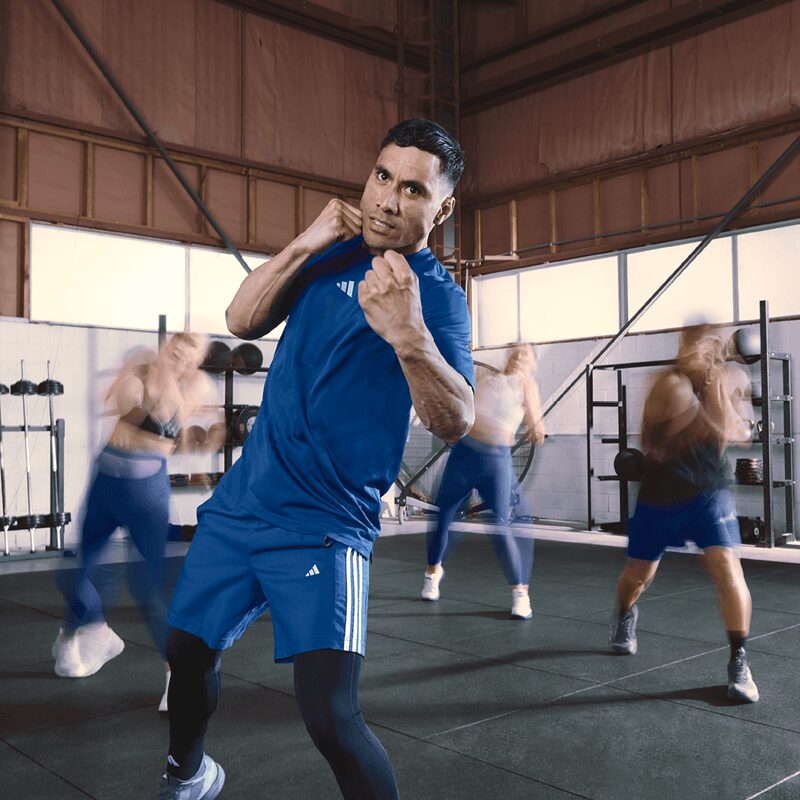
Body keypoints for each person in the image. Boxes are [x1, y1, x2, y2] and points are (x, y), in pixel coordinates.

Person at [158, 119, 475, 800]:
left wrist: (410, 338)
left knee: (330, 715)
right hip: (244, 503)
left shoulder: (437, 297)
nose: (388, 199)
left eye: (412, 188)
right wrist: (309, 239)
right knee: (185, 650)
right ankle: (189, 773)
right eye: (382, 176)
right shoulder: (327, 256)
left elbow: (457, 419)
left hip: (327, 524)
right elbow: (242, 321)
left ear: (442, 209)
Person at [53, 332, 211, 714]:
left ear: (197, 359)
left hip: (146, 492)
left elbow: (163, 428)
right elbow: (121, 403)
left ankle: (175, 676)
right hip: (106, 479)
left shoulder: (196, 384)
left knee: (148, 587)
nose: (181, 349)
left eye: (191, 348)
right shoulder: (138, 363)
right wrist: (138, 382)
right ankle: (95, 630)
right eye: (177, 341)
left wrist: (158, 382)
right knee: (73, 570)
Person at [609, 323, 760, 703]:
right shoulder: (669, 384)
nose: (700, 353)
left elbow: (739, 433)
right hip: (661, 498)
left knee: (727, 567)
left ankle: (739, 659)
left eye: (709, 346)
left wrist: (729, 400)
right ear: (683, 347)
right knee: (636, 578)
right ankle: (625, 614)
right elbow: (652, 442)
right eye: (693, 346)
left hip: (709, 493)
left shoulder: (727, 380)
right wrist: (710, 406)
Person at [421, 344, 545, 619]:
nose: (518, 356)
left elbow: (538, 427)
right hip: (463, 457)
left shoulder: (527, 386)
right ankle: (433, 572)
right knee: (442, 518)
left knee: (501, 527)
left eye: (526, 354)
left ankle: (520, 594)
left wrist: (536, 430)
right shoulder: (487, 379)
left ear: (532, 363)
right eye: (516, 352)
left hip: (495, 464)